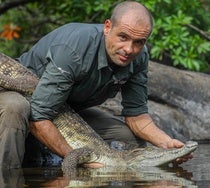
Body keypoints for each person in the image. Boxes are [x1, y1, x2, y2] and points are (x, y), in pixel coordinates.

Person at [0, 1, 192, 169]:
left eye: (139, 42)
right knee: (15, 108)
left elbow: (137, 116)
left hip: (67, 108)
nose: (129, 49)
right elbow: (39, 116)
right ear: (107, 27)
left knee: (128, 138)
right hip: (23, 95)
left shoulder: (138, 56)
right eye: (123, 37)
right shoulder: (74, 48)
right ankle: (7, 175)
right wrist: (80, 162)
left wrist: (167, 144)